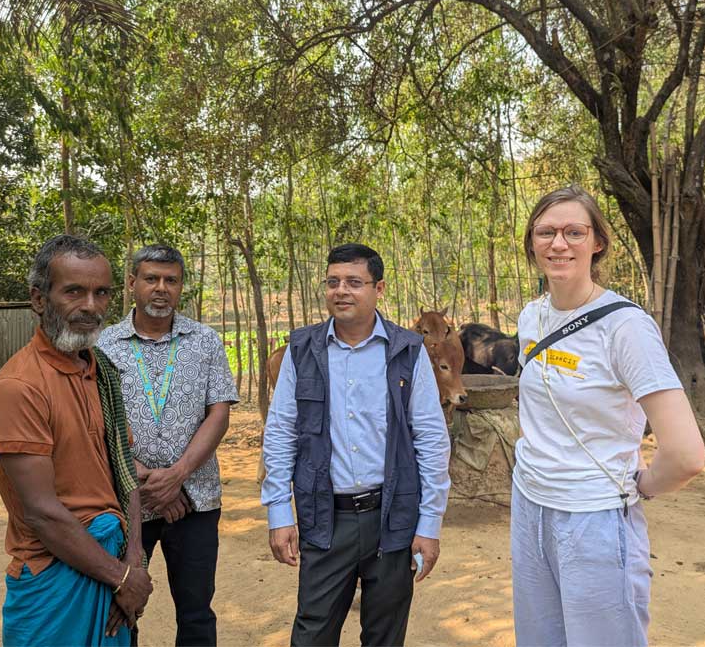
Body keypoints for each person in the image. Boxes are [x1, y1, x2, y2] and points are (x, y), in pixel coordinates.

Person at [512, 185, 705, 646]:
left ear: (597, 243)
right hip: (529, 506)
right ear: (533, 243)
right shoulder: (531, 318)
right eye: (546, 232)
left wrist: (642, 485)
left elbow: (686, 454)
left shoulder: (626, 327)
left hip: (594, 518)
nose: (559, 244)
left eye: (574, 232)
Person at [261, 243, 451, 647]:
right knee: (312, 633)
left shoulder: (407, 351)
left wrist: (429, 523)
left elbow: (431, 438)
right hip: (325, 518)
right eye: (333, 282)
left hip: (393, 517)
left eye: (353, 282)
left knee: (384, 636)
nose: (341, 291)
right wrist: (279, 512)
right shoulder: (302, 350)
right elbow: (281, 432)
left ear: (378, 288)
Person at [0, 235, 152, 647]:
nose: (91, 306)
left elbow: (124, 472)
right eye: (74, 291)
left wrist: (133, 561)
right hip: (55, 579)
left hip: (108, 568)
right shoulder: (19, 387)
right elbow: (42, 513)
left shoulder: (103, 373)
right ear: (39, 299)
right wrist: (120, 577)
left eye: (101, 292)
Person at [97, 244, 238, 647]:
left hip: (194, 501)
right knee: (121, 605)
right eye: (151, 279)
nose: (161, 288)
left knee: (196, 611)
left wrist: (178, 475)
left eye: (171, 280)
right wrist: (148, 482)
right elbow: (95, 421)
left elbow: (219, 413)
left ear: (180, 288)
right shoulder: (103, 345)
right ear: (131, 284)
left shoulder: (205, 341)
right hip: (124, 500)